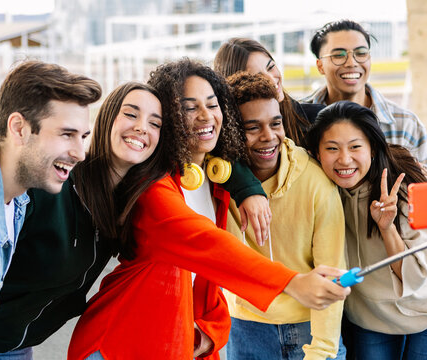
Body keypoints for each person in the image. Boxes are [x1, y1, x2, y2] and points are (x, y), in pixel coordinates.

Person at [67, 59, 351, 360]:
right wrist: (292, 282)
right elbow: (210, 247)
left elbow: (207, 284)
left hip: (171, 344)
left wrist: (210, 332)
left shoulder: (214, 182)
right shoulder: (155, 190)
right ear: (171, 118)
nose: (205, 116)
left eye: (212, 104)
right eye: (190, 107)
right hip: (118, 343)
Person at [0, 60, 101, 359]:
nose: (80, 153)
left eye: (83, 137)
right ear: (19, 129)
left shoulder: (18, 194)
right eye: (66, 134)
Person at [304, 101, 427, 360]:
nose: (344, 159)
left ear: (373, 149)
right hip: (370, 320)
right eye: (332, 148)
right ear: (317, 153)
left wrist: (387, 228)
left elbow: (414, 276)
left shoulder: (401, 186)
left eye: (355, 147)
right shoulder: (323, 191)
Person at [225, 72, 346, 360]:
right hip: (244, 326)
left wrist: (322, 350)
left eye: (275, 123)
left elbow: (332, 272)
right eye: (252, 127)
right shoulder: (217, 183)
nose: (269, 136)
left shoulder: (315, 182)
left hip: (308, 325)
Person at [303, 19, 427, 177]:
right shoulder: (296, 118)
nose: (351, 63)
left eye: (361, 53)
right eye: (338, 55)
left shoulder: (406, 124)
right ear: (320, 66)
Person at [214, 37, 325, 146]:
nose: (271, 79)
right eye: (257, 76)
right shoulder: (225, 141)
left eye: (271, 67)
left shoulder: (317, 119)